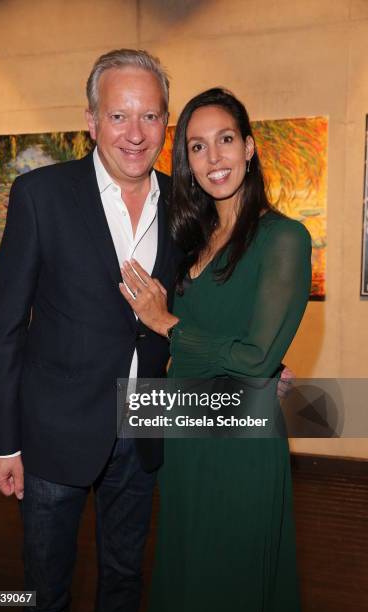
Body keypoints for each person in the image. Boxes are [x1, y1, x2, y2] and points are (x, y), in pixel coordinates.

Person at [0, 49, 179, 612]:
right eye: (119, 116)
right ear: (91, 121)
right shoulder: (41, 196)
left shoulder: (184, 202)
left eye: (150, 116)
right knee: (44, 586)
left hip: (143, 426)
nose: (136, 134)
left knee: (123, 578)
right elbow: (5, 328)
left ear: (166, 120)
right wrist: (3, 444)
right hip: (52, 433)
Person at [119, 88, 312, 611]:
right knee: (186, 572)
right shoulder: (191, 239)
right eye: (197, 147)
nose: (214, 158)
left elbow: (253, 359)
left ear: (249, 147)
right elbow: (238, 339)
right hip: (186, 436)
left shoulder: (284, 238)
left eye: (225, 140)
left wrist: (168, 323)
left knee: (231, 578)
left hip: (240, 446)